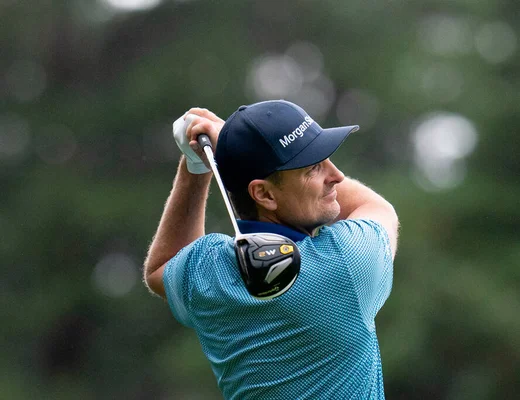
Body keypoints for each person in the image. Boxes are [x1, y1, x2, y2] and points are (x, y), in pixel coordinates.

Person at [144, 100, 399, 399]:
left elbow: (161, 267)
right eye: (314, 167)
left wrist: (199, 164)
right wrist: (225, 143)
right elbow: (376, 207)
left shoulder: (211, 273)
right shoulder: (344, 262)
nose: (336, 175)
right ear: (263, 194)